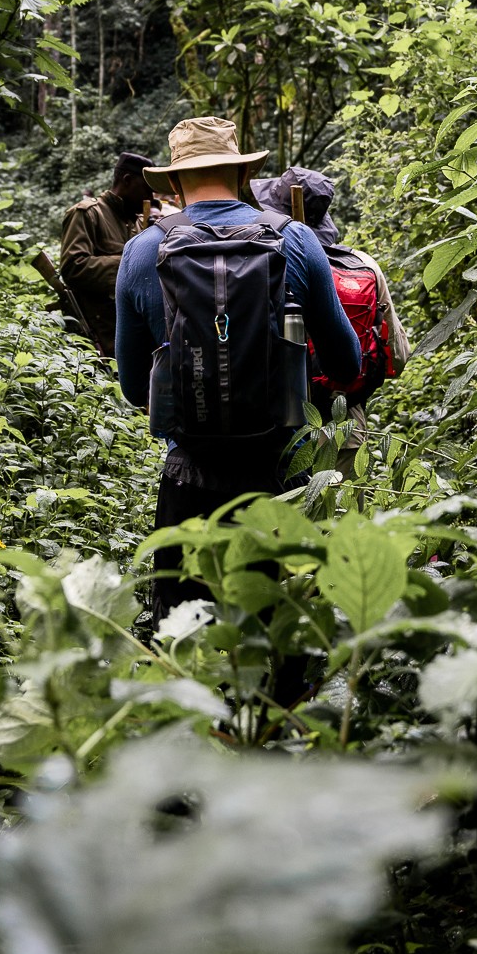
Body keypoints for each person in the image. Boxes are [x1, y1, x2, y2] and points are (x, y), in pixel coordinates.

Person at [115, 117, 360, 611]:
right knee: (283, 644)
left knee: (187, 646)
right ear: (243, 175)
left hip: (189, 479)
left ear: (177, 181)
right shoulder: (296, 240)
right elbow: (347, 363)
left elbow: (133, 388)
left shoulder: (142, 251)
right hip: (283, 477)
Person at [252, 165, 411, 393]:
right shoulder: (364, 265)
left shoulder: (262, 261)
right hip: (347, 414)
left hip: (281, 412)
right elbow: (399, 356)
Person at [58, 152, 152, 358]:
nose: (151, 198)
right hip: (97, 338)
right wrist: (131, 264)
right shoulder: (87, 213)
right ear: (127, 180)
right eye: (147, 189)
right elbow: (73, 266)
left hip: (128, 335)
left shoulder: (136, 222)